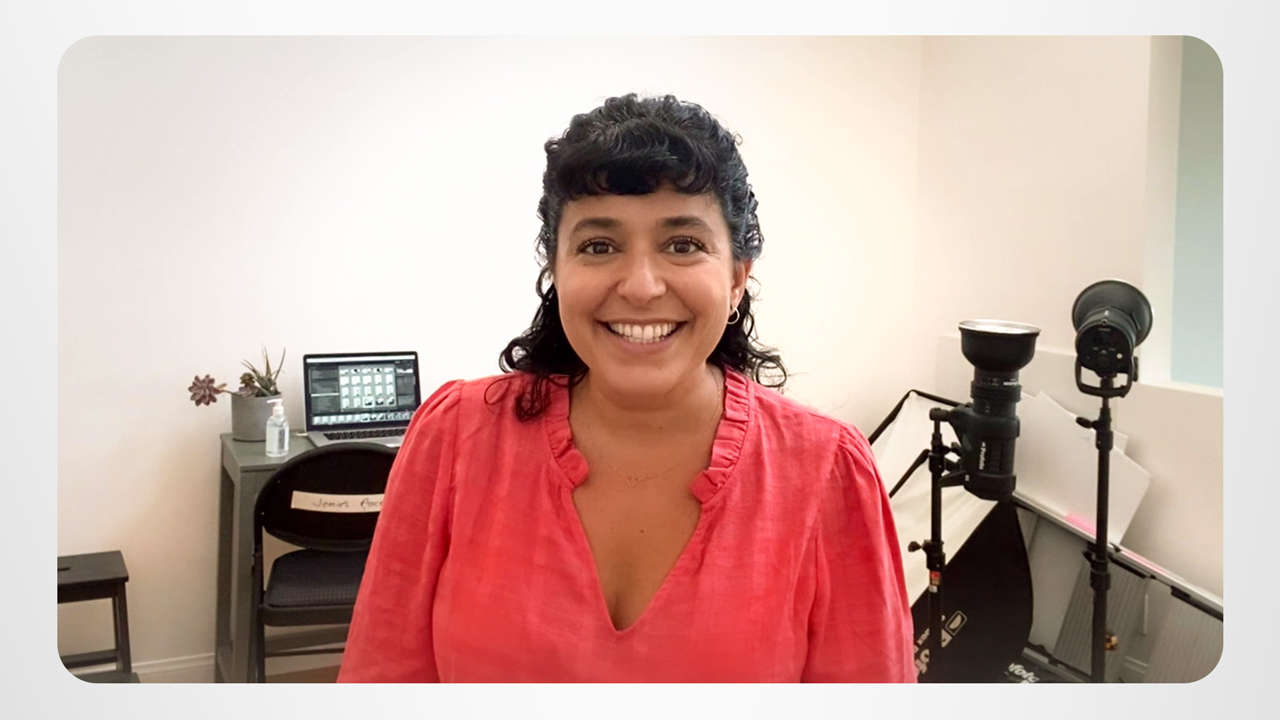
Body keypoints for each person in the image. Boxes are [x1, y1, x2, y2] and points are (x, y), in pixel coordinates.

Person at [337, 93, 916, 682]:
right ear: (556, 271)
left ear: (737, 279)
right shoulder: (454, 437)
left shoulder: (827, 470)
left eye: (683, 245)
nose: (641, 286)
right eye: (599, 246)